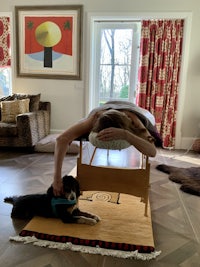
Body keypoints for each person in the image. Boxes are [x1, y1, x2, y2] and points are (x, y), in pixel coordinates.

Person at [52, 104, 157, 196]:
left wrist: (127, 135)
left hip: (129, 108)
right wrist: (57, 179)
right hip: (106, 108)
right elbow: (61, 139)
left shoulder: (134, 120)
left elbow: (152, 152)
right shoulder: (95, 118)